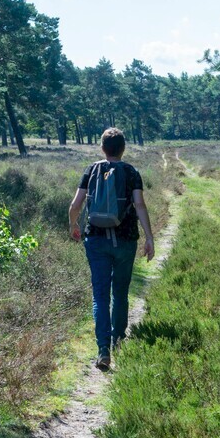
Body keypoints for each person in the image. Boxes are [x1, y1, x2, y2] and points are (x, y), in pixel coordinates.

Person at [68, 128, 154, 370]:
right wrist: (149, 237)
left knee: (100, 295)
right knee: (121, 292)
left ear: (102, 148)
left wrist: (74, 224)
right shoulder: (131, 172)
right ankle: (119, 341)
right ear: (123, 148)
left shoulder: (91, 170)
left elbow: (76, 204)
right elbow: (139, 204)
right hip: (126, 241)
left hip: (95, 240)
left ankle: (103, 349)